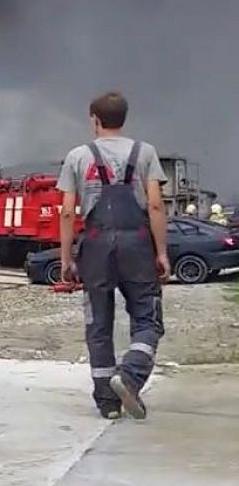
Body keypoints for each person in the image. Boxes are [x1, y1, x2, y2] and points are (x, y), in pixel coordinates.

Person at [57, 91, 169, 421]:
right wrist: (161, 252)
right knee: (148, 319)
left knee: (98, 324)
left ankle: (108, 402)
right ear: (124, 118)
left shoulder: (78, 156)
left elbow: (66, 212)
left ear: (94, 119)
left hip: (94, 246)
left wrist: (66, 259)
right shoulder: (145, 152)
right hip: (136, 245)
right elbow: (155, 205)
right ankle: (131, 375)